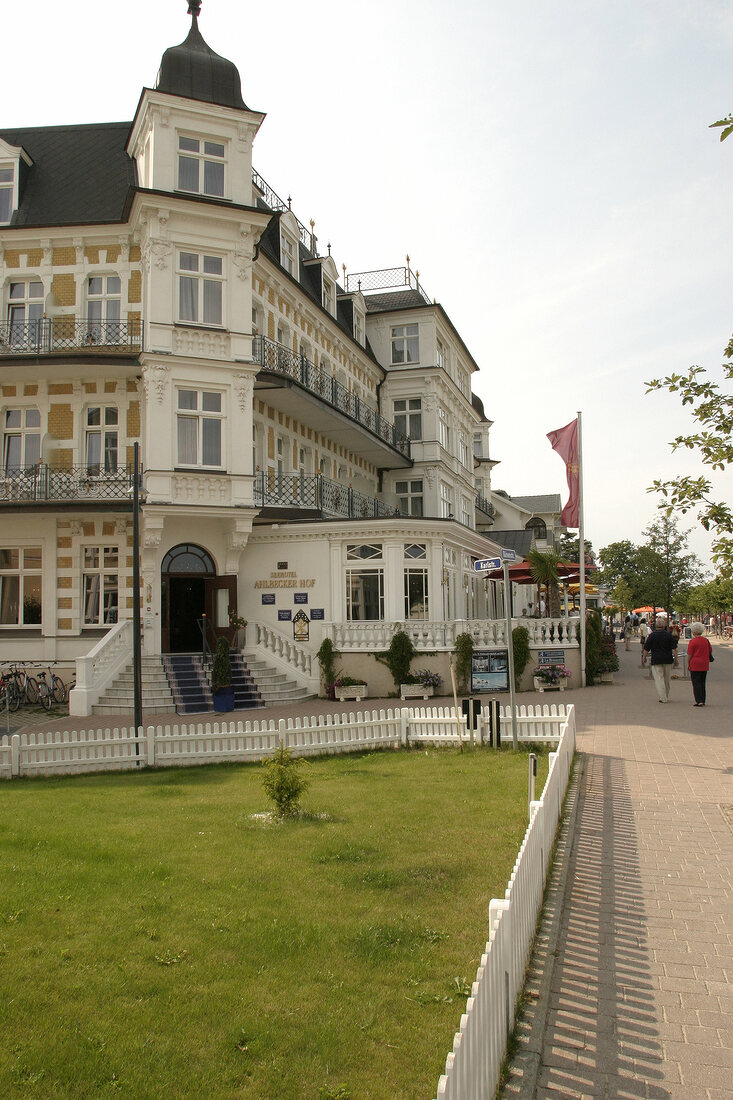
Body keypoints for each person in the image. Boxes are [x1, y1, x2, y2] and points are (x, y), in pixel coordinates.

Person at [642, 616, 679, 702]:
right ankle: (665, 695)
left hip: (656, 659)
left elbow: (646, 648)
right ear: (664, 626)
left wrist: (644, 658)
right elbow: (674, 649)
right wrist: (676, 659)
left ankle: (663, 697)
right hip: (668, 659)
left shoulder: (652, 636)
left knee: (659, 679)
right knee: (666, 679)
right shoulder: (669, 635)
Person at [686, 622, 713, 706]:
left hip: (695, 664)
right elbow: (710, 650)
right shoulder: (706, 640)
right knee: (702, 682)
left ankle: (699, 700)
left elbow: (690, 654)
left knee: (696, 683)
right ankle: (703, 699)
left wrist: (688, 663)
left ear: (693, 632)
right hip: (704, 663)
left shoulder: (693, 641)